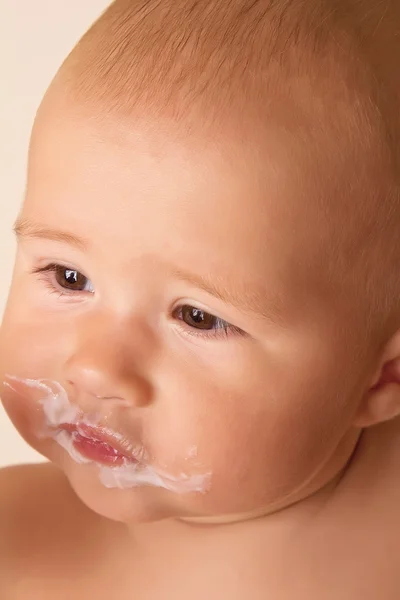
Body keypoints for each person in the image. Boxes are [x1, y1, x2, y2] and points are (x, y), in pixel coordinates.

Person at [1, 0, 400, 597]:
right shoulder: (19, 547)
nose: (95, 366)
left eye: (197, 316)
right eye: (67, 277)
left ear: (382, 376)